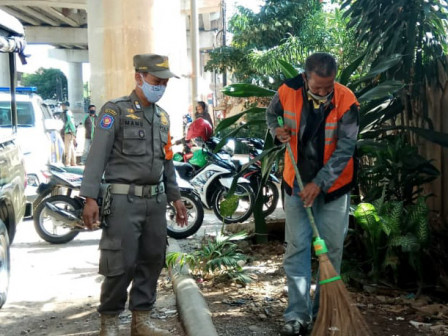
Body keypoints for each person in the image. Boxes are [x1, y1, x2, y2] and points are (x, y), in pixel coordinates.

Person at [80, 53, 188, 336]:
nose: (161, 86)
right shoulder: (114, 111)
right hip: (122, 200)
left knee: (152, 259)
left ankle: (141, 320)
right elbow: (97, 156)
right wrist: (89, 198)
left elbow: (167, 161)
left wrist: (176, 198)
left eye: (165, 82)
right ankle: (111, 322)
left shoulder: (163, 117)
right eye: (156, 81)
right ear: (138, 77)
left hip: (156, 200)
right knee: (120, 262)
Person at [266, 52, 359, 336]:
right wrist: (276, 130)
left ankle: (324, 314)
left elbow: (345, 149)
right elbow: (271, 114)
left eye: (327, 87)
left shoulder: (347, 101)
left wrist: (319, 183)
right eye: (317, 87)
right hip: (296, 185)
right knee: (297, 248)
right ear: (305, 77)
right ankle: (297, 316)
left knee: (331, 250)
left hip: (333, 189)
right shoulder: (287, 90)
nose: (322, 92)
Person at [61, 101, 77, 166]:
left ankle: (67, 163)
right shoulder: (69, 113)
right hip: (71, 132)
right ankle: (73, 162)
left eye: (62, 106)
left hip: (68, 132)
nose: (62, 107)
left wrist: (73, 132)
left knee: (67, 148)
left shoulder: (67, 113)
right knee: (71, 148)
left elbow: (70, 123)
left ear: (65, 106)